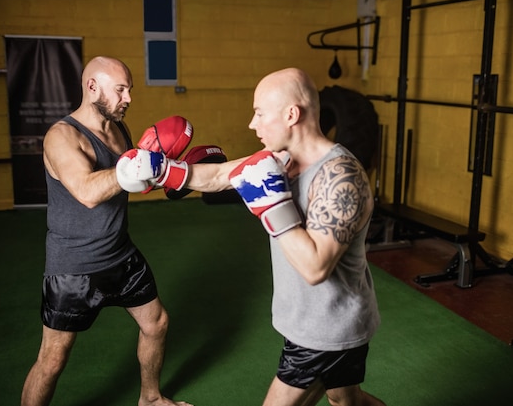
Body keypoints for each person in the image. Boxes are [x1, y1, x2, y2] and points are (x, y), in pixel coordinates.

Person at [117, 68, 386, 406]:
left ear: (291, 114)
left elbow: (316, 268)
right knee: (347, 400)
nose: (252, 124)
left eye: (260, 113)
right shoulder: (282, 160)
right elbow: (217, 174)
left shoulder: (342, 178)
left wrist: (274, 206)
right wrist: (161, 171)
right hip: (316, 319)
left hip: (327, 329)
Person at [21, 56, 191, 406]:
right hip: (74, 266)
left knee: (156, 323)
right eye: (120, 89)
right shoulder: (61, 136)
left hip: (120, 254)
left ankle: (151, 398)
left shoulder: (118, 130)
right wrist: (136, 165)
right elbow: (87, 191)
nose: (128, 97)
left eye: (129, 89)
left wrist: (174, 175)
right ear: (92, 87)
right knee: (52, 359)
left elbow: (130, 182)